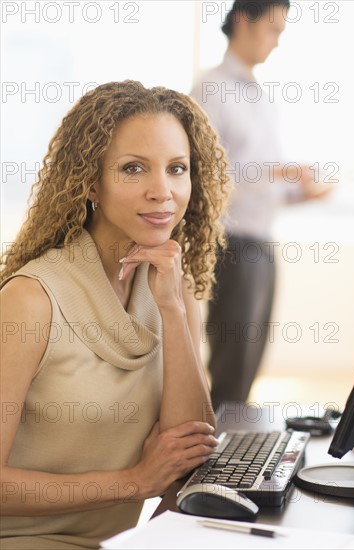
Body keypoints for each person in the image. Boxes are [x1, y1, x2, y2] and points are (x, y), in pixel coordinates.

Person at [0, 80, 230, 549]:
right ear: (90, 182)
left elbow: (189, 449)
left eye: (177, 168)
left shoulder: (170, 286)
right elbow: (151, 478)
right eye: (132, 169)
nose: (162, 191)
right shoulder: (31, 300)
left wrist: (172, 307)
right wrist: (134, 482)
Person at [191, 0, 331, 410]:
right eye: (272, 31)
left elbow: (264, 181)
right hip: (231, 246)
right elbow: (206, 179)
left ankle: (238, 454)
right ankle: (215, 463)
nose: (276, 43)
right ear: (241, 22)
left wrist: (299, 192)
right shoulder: (209, 89)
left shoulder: (264, 96)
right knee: (231, 370)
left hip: (262, 244)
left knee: (250, 364)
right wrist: (277, 171)